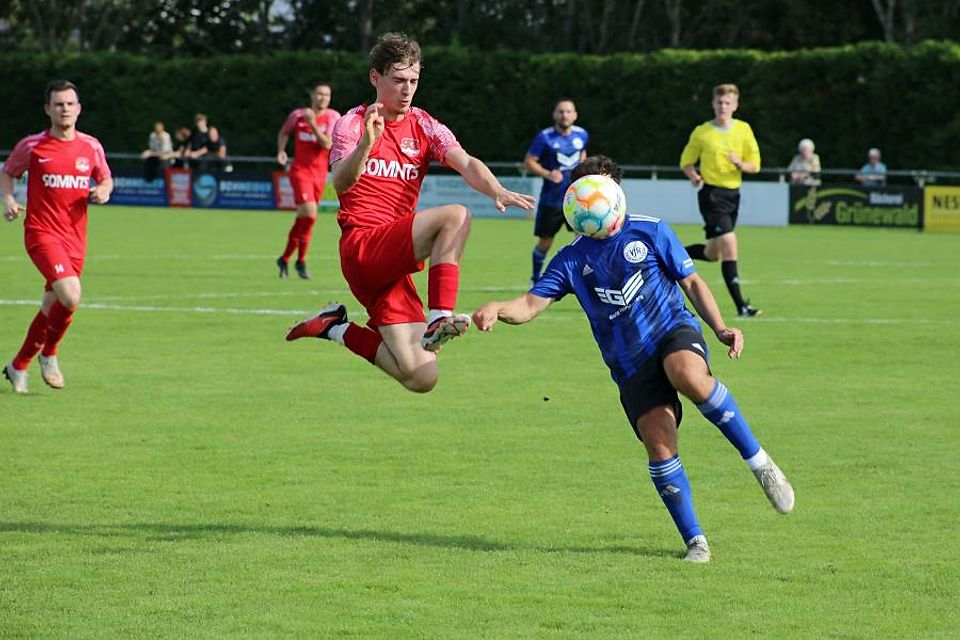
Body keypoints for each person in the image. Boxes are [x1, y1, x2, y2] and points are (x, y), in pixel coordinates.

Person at [472, 155, 794, 563]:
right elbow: (530, 305)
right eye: (585, 190)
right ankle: (696, 540)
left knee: (687, 375)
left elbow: (691, 280)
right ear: (575, 201)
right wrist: (497, 308)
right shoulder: (571, 259)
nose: (594, 199)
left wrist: (720, 328)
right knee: (660, 447)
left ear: (616, 193)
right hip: (629, 364)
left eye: (602, 188)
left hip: (672, 331)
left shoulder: (651, 229)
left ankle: (760, 463)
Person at [285, 32, 535, 393]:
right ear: (376, 78)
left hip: (394, 262)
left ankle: (334, 327)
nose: (407, 90)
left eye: (414, 81)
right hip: (363, 248)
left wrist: (495, 188)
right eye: (398, 80)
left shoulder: (425, 125)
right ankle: (440, 317)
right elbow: (339, 182)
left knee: (421, 376)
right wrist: (367, 146)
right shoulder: (353, 123)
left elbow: (465, 162)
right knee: (457, 216)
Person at [1, 80, 113, 394]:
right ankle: (49, 354)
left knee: (53, 305)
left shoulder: (91, 146)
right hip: (41, 233)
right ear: (48, 109)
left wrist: (103, 191)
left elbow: (105, 178)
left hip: (75, 239)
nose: (64, 109)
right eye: (58, 104)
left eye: (69, 104)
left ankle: (18, 365)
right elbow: (8, 171)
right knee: (71, 295)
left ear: (79, 109)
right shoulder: (33, 146)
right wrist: (9, 201)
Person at [680, 83, 762, 317]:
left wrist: (740, 163)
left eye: (728, 103)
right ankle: (741, 306)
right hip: (711, 195)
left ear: (735, 105)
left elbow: (755, 165)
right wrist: (693, 175)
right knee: (729, 243)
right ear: (713, 104)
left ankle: (671, 255)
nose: (723, 106)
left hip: (733, 195)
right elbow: (686, 161)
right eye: (719, 102)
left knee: (712, 253)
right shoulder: (702, 132)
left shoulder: (744, 130)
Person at [275, 83, 341, 280]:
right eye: (320, 93)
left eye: (327, 95)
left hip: (319, 175)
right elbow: (284, 132)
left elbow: (327, 143)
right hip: (300, 172)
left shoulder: (333, 117)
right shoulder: (297, 115)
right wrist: (281, 150)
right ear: (313, 95)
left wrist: (312, 124)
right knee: (310, 214)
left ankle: (288, 258)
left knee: (307, 219)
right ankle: (299, 261)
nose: (323, 98)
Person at [524, 99, 588, 284]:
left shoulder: (582, 135)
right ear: (555, 115)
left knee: (583, 241)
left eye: (568, 111)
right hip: (552, 200)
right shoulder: (544, 137)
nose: (564, 115)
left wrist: (584, 170)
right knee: (545, 243)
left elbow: (582, 154)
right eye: (561, 111)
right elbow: (529, 161)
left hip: (577, 200)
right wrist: (547, 173)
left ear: (575, 115)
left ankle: (583, 280)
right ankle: (535, 278)